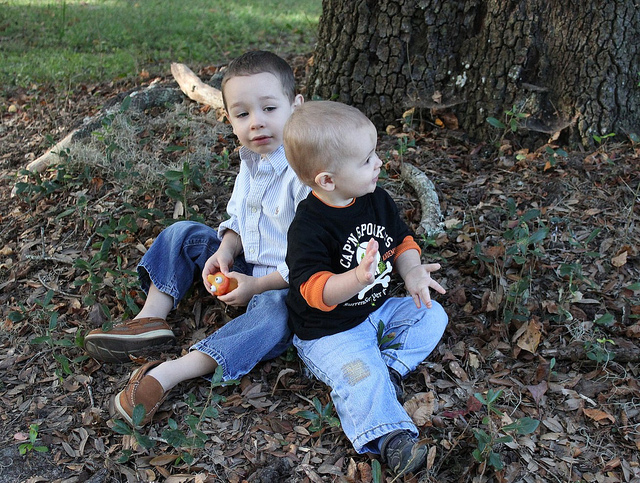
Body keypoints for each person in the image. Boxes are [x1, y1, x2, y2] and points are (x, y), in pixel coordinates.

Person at [83, 50, 310, 426]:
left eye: (269, 108)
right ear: (230, 120)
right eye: (242, 114)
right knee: (183, 233)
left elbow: (310, 260)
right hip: (246, 267)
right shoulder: (251, 161)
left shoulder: (306, 174)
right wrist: (225, 250)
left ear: (295, 107)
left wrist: (256, 286)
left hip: (287, 284)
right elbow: (240, 220)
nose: (256, 122)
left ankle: (167, 374)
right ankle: (150, 319)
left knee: (276, 316)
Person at [282, 101, 449, 477]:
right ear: (328, 180)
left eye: (374, 153)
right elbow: (316, 292)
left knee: (431, 315)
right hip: (328, 332)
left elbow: (402, 241)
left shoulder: (375, 198)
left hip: (375, 310)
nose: (378, 163)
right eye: (366, 160)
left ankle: (387, 371)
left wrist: (412, 272)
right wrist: (357, 278)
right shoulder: (308, 228)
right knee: (359, 374)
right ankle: (391, 438)